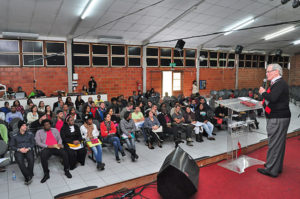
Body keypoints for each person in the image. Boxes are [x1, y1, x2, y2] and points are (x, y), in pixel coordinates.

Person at [257, 63, 291, 178]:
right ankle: (276, 166)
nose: (266, 74)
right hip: (280, 117)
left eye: (268, 71)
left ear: (276, 72)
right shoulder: (277, 83)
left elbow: (273, 98)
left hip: (278, 118)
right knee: (279, 144)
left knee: (274, 144)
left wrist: (263, 92)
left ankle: (271, 169)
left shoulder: (279, 83)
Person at [9, 120, 35, 185]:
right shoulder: (14, 135)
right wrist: (19, 149)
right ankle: (28, 176)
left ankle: (29, 174)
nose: (25, 126)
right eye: (23, 125)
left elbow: (33, 143)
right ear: (20, 127)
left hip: (28, 149)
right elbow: (11, 146)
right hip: (19, 150)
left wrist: (28, 148)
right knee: (20, 161)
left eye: (25, 125)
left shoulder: (30, 134)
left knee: (31, 159)